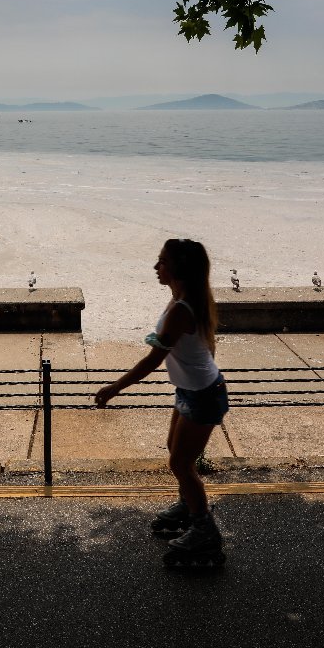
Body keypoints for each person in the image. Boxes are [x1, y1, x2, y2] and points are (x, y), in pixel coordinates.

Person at [94, 238, 229, 565]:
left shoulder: (182, 309)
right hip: (191, 390)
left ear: (179, 269)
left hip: (203, 395)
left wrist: (114, 388)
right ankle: (189, 504)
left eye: (162, 262)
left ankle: (205, 532)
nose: (156, 267)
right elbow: (205, 349)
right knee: (176, 451)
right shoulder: (183, 298)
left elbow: (152, 361)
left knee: (180, 464)